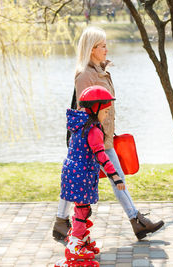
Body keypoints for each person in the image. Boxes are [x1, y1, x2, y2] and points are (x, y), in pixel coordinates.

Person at [53, 26, 164, 241]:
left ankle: (60, 222)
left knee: (76, 180)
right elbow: (86, 108)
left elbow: (104, 107)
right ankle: (136, 221)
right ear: (92, 49)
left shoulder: (99, 70)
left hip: (104, 135)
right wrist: (96, 136)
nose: (106, 48)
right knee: (84, 179)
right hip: (93, 138)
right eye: (102, 45)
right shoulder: (85, 75)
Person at [60, 86, 125, 263]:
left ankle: (81, 239)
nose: (106, 115)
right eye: (105, 111)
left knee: (82, 207)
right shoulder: (94, 130)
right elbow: (101, 156)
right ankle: (75, 244)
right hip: (81, 175)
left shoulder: (80, 124)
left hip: (72, 172)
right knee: (82, 209)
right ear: (95, 109)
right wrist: (115, 176)